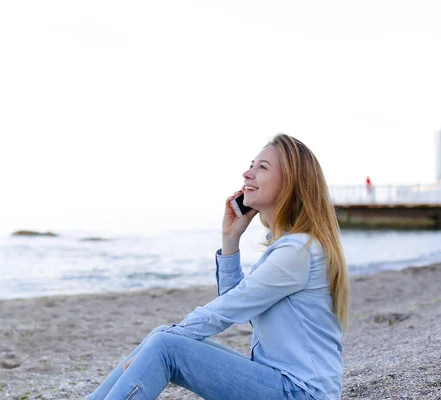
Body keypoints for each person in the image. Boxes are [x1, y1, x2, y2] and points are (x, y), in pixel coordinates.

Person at [85, 134, 350, 400]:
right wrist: (231, 239)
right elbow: (238, 301)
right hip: (280, 383)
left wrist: (157, 348)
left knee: (165, 345)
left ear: (291, 183)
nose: (247, 173)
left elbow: (230, 308)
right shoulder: (291, 247)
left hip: (301, 393)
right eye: (251, 165)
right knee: (161, 336)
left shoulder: (298, 251)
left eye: (262, 168)